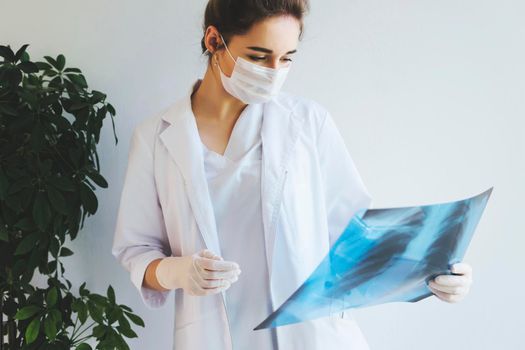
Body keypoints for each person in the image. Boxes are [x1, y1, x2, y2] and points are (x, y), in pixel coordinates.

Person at [111, 0, 473, 349]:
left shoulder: (308, 123)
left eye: (286, 58)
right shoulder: (156, 137)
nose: (273, 72)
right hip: (212, 335)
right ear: (213, 40)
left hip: (312, 335)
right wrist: (179, 272)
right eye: (258, 56)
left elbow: (356, 237)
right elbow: (136, 249)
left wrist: (431, 271)